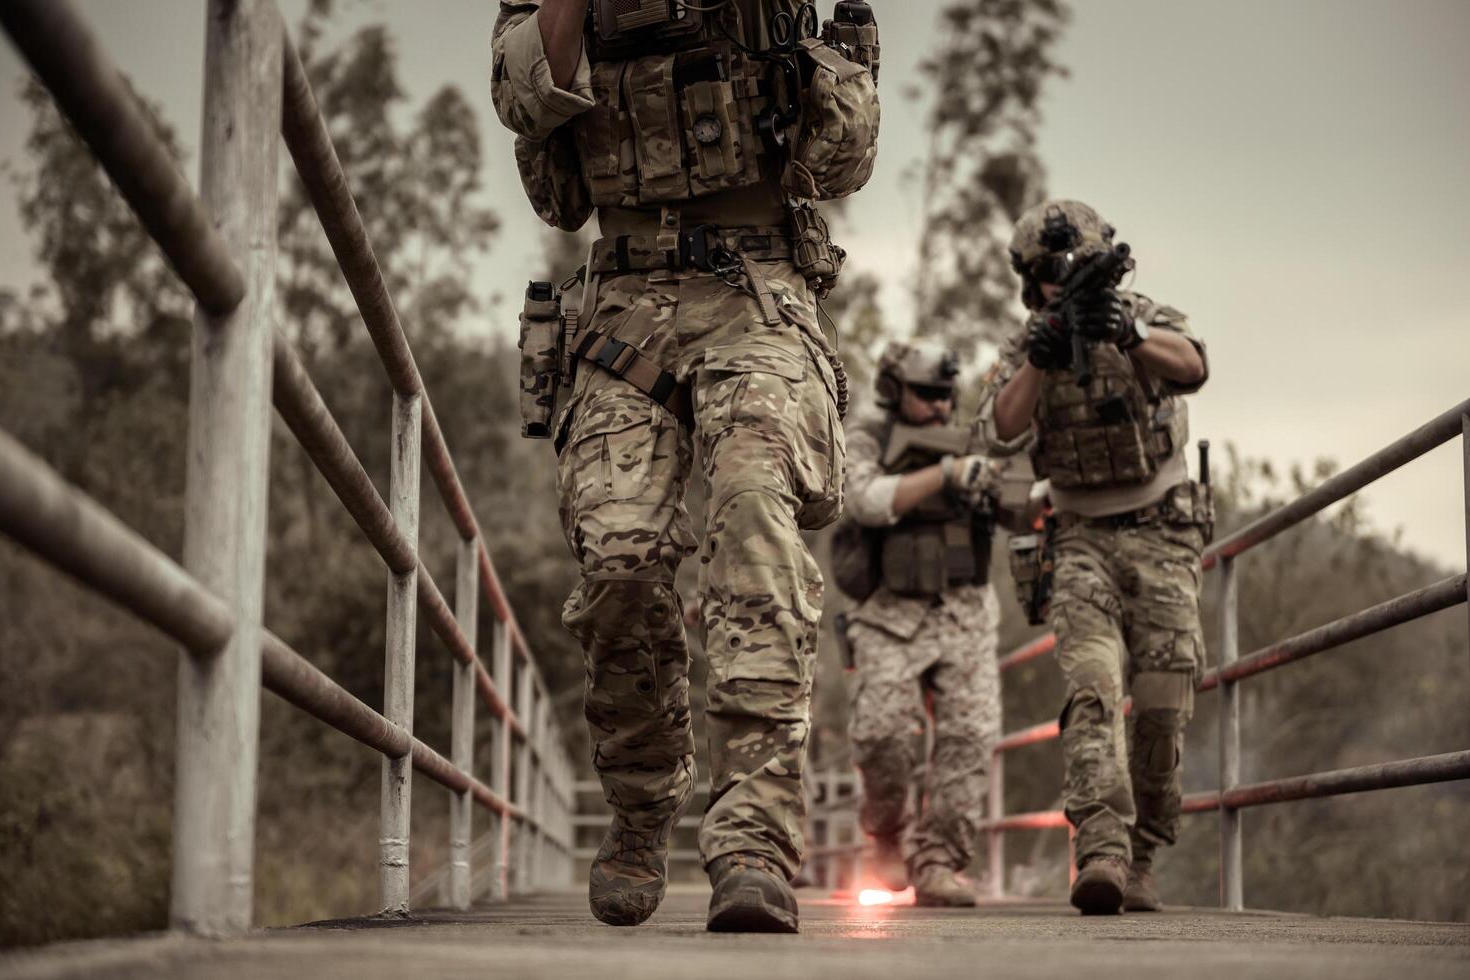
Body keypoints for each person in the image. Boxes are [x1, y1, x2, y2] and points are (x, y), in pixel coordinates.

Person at [491, 0, 880, 933]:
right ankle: (638, 806)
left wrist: (789, 51)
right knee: (619, 561)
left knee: (753, 515)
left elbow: (845, 157)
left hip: (756, 291)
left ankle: (752, 837)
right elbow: (538, 138)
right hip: (622, 300)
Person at [972, 200, 1211, 915]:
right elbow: (998, 429)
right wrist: (1040, 362)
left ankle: (1141, 859)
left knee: (1163, 707)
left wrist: (1130, 334)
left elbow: (1193, 367)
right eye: (1045, 271)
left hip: (1163, 532)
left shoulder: (1145, 315)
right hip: (1077, 536)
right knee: (1092, 688)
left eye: (1069, 266)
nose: (1058, 279)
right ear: (1028, 279)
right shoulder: (1026, 345)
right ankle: (1100, 849)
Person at [839, 340, 1005, 907]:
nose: (937, 406)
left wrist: (1004, 486)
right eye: (924, 394)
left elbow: (1022, 504)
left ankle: (938, 860)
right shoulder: (870, 439)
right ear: (893, 392)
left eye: (944, 395)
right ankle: (886, 834)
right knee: (882, 732)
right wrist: (945, 475)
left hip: (965, 615)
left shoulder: (975, 442)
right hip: (889, 615)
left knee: (968, 740)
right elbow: (863, 499)